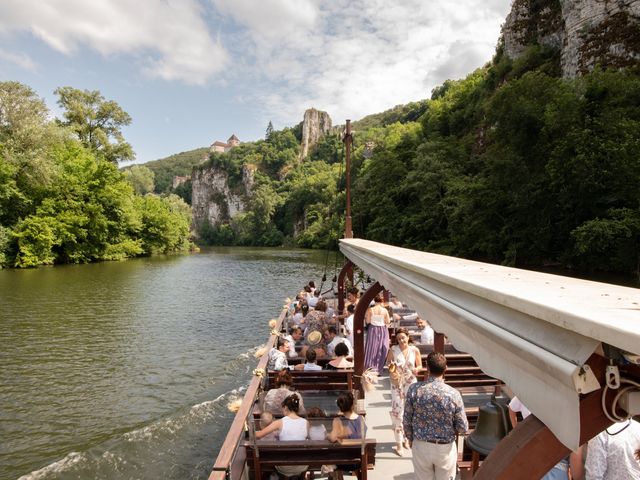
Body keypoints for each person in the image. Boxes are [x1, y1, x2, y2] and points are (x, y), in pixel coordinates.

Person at [403, 352, 468, 480]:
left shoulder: (414, 390)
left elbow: (406, 419)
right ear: (446, 369)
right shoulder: (453, 394)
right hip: (445, 448)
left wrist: (410, 437)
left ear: (427, 368)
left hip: (421, 443)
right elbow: (462, 427)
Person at [509, 396, 584, 480]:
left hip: (533, 456)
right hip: (554, 467)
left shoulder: (526, 392)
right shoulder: (569, 412)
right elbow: (575, 462)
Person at [387, 327, 423, 456]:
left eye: (403, 338)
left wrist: (416, 370)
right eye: (399, 339)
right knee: (397, 412)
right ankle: (398, 443)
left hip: (411, 383)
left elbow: (420, 365)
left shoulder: (415, 350)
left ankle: (407, 438)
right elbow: (388, 364)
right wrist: (393, 368)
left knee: (410, 411)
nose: (401, 341)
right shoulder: (393, 350)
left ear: (408, 337)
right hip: (397, 384)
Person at [256, 394, 309, 478]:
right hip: (302, 465)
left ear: (285, 408)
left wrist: (249, 430)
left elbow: (259, 435)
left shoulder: (279, 422)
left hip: (284, 466)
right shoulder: (306, 422)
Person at [328, 391, 367, 479]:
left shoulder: (337, 420)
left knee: (329, 458)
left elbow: (332, 438)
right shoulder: (361, 419)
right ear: (352, 404)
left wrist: (328, 435)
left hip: (343, 461)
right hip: (359, 460)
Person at [363, 293, 390, 374]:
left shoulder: (370, 310)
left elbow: (367, 321)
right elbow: (388, 321)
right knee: (381, 348)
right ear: (382, 301)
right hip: (382, 329)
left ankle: (371, 367)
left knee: (372, 347)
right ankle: (379, 368)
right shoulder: (385, 310)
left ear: (374, 300)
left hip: (373, 329)